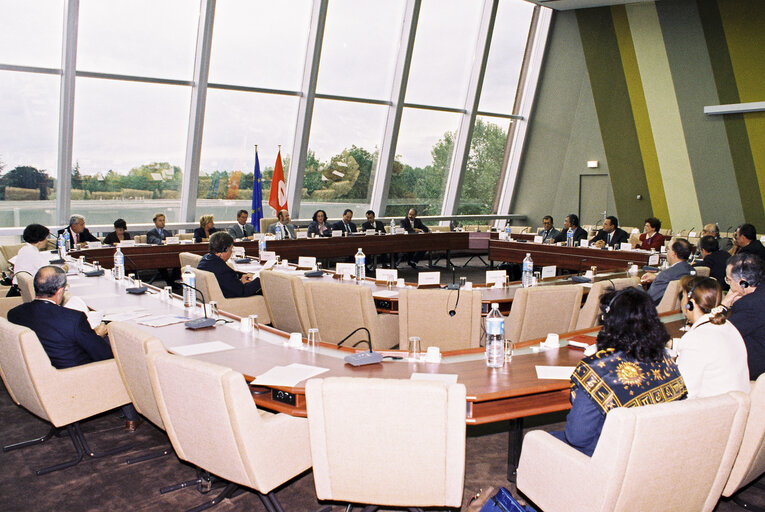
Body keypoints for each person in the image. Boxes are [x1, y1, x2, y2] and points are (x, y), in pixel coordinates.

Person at [550, 288, 687, 456]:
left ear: (611, 323)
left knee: (538, 440)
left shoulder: (597, 372)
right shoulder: (666, 361)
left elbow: (577, 437)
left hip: (610, 457)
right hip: (656, 451)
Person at [7, 266, 141, 430]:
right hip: (73, 380)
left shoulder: (15, 313)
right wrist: (97, 334)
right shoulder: (72, 319)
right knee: (119, 348)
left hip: (39, 375)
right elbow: (104, 355)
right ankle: (132, 416)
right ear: (60, 290)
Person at [674, 276, 749, 399]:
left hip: (710, 412)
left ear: (690, 304)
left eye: (683, 297)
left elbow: (683, 392)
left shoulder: (695, 339)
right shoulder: (728, 326)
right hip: (736, 406)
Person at [721, 253, 765, 380]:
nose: (728, 284)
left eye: (729, 280)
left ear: (743, 283)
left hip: (755, 372)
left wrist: (723, 306)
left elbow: (720, 334)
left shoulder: (749, 305)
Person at [197, 232, 261, 298]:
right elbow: (243, 292)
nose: (231, 252)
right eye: (231, 249)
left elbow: (227, 283)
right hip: (231, 302)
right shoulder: (222, 270)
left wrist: (240, 282)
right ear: (225, 249)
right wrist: (260, 279)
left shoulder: (205, 259)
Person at [641, 238, 693, 304]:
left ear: (674, 254)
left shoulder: (665, 275)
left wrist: (637, 284)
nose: (667, 252)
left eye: (668, 249)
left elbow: (647, 300)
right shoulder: (691, 270)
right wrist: (656, 278)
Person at [12, 224, 56, 291]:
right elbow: (48, 272)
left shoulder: (25, 249)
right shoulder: (32, 252)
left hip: (18, 289)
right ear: (40, 240)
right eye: (46, 238)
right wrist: (63, 268)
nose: (47, 240)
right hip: (22, 293)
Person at [146, 213, 179, 290]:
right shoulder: (151, 232)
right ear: (155, 222)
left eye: (163, 220)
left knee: (178, 263)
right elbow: (154, 240)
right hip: (156, 256)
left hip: (168, 255)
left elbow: (172, 242)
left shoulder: (168, 233)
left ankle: (171, 282)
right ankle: (171, 283)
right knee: (162, 264)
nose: (162, 222)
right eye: (160, 220)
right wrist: (163, 241)